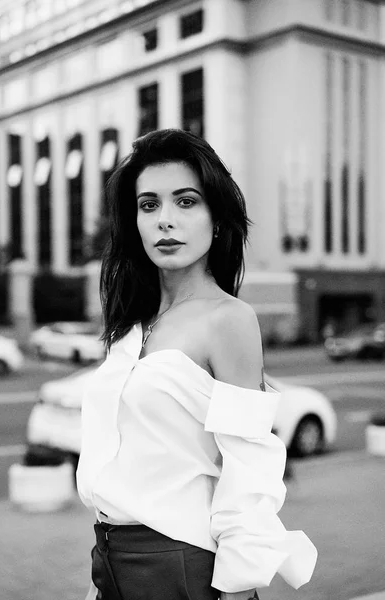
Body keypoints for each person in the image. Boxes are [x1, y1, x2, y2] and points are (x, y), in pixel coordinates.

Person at [76, 129, 317, 600]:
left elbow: (247, 465)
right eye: (149, 205)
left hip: (180, 564)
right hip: (109, 559)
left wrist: (238, 585)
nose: (166, 220)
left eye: (185, 202)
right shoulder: (131, 323)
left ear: (218, 219)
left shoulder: (229, 320)